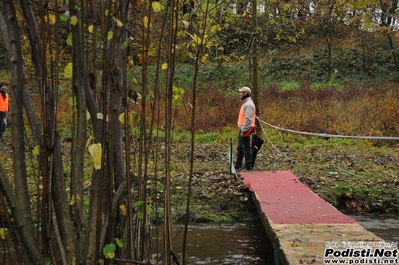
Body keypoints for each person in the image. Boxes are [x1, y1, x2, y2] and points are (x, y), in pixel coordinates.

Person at [235, 86, 256, 170]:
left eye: (241, 92)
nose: (240, 94)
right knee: (240, 147)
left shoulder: (248, 104)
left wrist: (243, 131)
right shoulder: (246, 103)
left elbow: (248, 119)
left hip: (246, 129)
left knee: (246, 148)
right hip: (243, 129)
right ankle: (238, 164)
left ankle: (248, 166)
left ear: (245, 93)